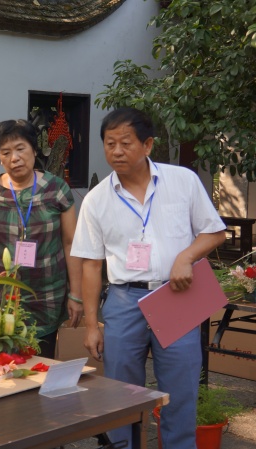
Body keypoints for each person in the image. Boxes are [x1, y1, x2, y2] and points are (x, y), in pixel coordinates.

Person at [71, 107, 226, 448]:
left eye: (126, 143)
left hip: (176, 296)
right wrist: (92, 325)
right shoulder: (96, 200)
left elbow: (215, 232)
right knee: (119, 394)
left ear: (148, 145)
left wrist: (186, 256)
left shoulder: (182, 181)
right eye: (109, 143)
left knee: (180, 390)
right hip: (124, 300)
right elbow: (91, 265)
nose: (117, 151)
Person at [0, 119, 83, 359]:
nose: (14, 158)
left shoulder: (56, 190)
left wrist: (76, 294)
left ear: (34, 150)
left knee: (40, 365)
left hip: (46, 298)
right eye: (6, 152)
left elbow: (70, 243)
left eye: (20, 148)